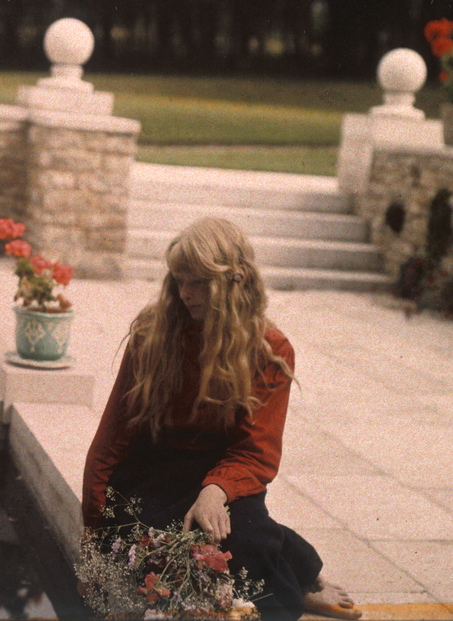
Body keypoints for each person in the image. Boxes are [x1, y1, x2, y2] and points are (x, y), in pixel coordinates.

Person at [82, 217, 361, 621]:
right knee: (152, 549)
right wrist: (92, 538)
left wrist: (216, 490)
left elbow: (257, 450)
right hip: (152, 471)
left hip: (223, 470)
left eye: (198, 282)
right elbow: (110, 440)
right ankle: (298, 568)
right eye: (179, 280)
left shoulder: (269, 349)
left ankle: (297, 582)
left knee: (244, 543)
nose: (185, 293)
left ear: (237, 279)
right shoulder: (152, 335)